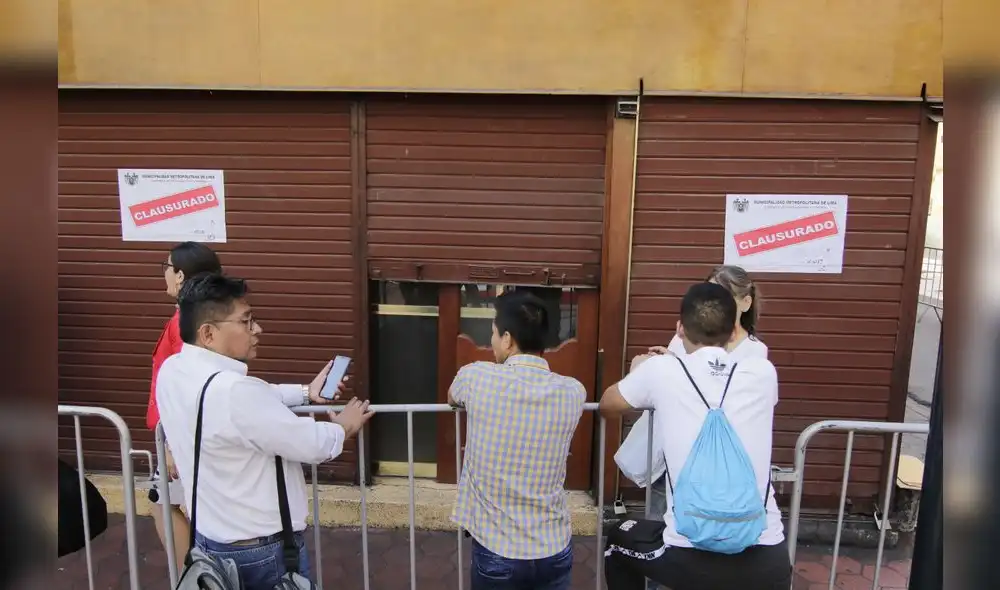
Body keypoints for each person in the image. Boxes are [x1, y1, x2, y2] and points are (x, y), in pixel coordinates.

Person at [157, 273, 373, 590]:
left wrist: (305, 392)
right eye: (246, 321)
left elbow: (257, 397)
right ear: (208, 334)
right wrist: (343, 426)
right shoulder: (236, 393)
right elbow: (310, 444)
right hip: (260, 551)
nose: (257, 330)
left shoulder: (173, 371)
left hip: (210, 539)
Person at [599, 282, 790, 590]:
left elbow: (608, 405)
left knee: (619, 539)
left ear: (679, 329)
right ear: (732, 333)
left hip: (688, 557)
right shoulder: (764, 373)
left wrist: (638, 372)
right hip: (769, 559)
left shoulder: (661, 370)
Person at [616, 264, 768, 562]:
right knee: (659, 533)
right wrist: (656, 366)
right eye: (708, 290)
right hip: (667, 453)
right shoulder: (683, 334)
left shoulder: (755, 354)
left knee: (698, 542)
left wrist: (671, 367)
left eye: (721, 293)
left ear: (746, 302)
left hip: (708, 465)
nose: (712, 300)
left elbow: (717, 395)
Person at [448, 289, 586, 590]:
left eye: (494, 334)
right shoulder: (573, 391)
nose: (493, 342)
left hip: (499, 551)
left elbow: (452, 396)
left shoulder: (476, 378)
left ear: (508, 339)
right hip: (554, 548)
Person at [146, 242, 222, 570]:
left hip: (181, 434)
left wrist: (173, 445)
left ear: (179, 275)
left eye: (165, 267)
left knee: (162, 502)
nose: (163, 274)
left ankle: (194, 578)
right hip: (185, 432)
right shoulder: (204, 315)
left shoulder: (185, 323)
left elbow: (180, 385)